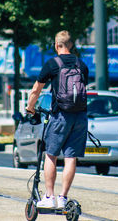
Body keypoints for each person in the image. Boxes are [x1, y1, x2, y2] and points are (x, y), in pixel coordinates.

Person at [25, 30, 89, 209]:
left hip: (60, 115)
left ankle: (49, 196)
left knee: (51, 155)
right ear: (71, 45)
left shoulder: (52, 64)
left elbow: (36, 89)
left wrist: (30, 108)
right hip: (80, 116)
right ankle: (63, 198)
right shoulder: (82, 65)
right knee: (71, 157)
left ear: (56, 45)